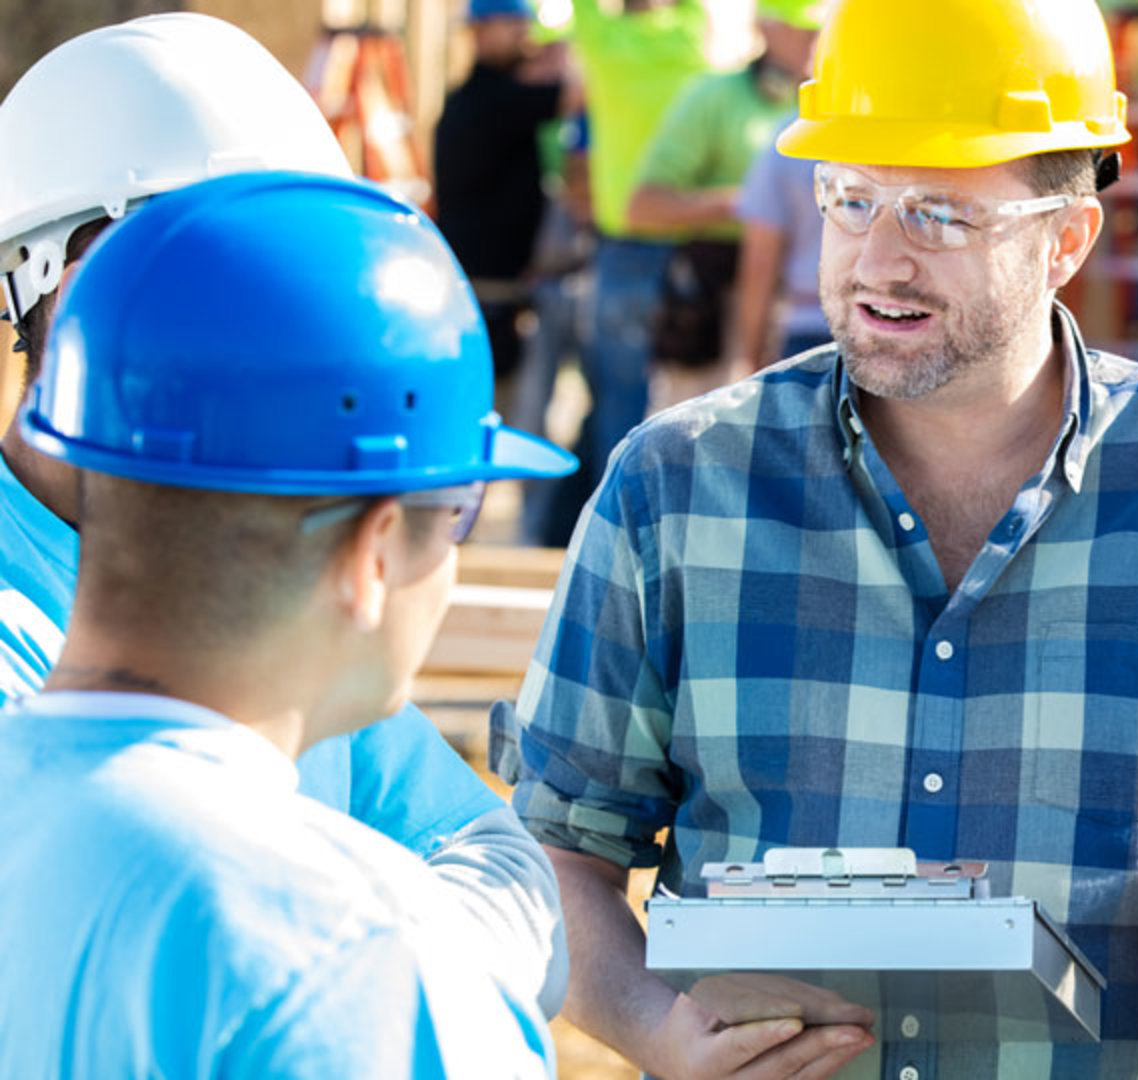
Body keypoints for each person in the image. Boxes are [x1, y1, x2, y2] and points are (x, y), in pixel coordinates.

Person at [492, 0, 1138, 1075]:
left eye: (942, 215)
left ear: (1066, 241)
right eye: (852, 200)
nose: (879, 262)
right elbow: (561, 850)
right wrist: (657, 1031)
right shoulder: (674, 486)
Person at [0, 13, 569, 1016]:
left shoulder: (283, 576)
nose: (227, 325)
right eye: (174, 275)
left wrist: (365, 957)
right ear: (41, 289)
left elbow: (503, 866)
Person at [625, 0, 823, 411]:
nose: (815, 40)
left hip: (785, 312)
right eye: (802, 29)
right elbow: (641, 207)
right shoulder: (711, 97)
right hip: (711, 304)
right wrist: (745, 204)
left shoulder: (831, 109)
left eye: (821, 29)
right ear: (766, 27)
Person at [568, 0, 713, 484]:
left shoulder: (603, 43)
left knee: (619, 401)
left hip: (625, 251)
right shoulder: (690, 37)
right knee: (694, 404)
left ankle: (617, 522)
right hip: (693, 251)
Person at [433, 0, 578, 406]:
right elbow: (576, 94)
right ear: (481, 32)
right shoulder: (488, 101)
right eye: (514, 26)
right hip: (487, 297)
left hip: (493, 292)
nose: (525, 37)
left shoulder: (491, 97)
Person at [725, 125, 834, 371]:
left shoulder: (790, 139)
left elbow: (760, 265)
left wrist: (752, 358)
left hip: (806, 328)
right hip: (896, 325)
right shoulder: (903, 129)